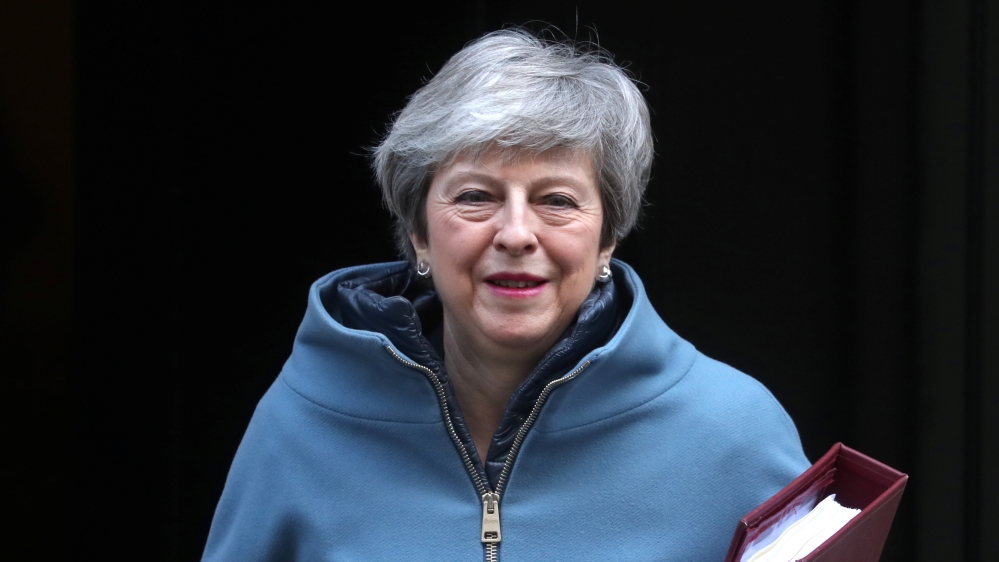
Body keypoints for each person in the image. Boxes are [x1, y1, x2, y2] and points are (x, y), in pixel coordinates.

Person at [201, 29, 810, 561]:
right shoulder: (301, 424)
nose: (517, 234)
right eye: (475, 197)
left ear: (607, 239)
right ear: (418, 232)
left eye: (556, 200)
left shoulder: (734, 433)